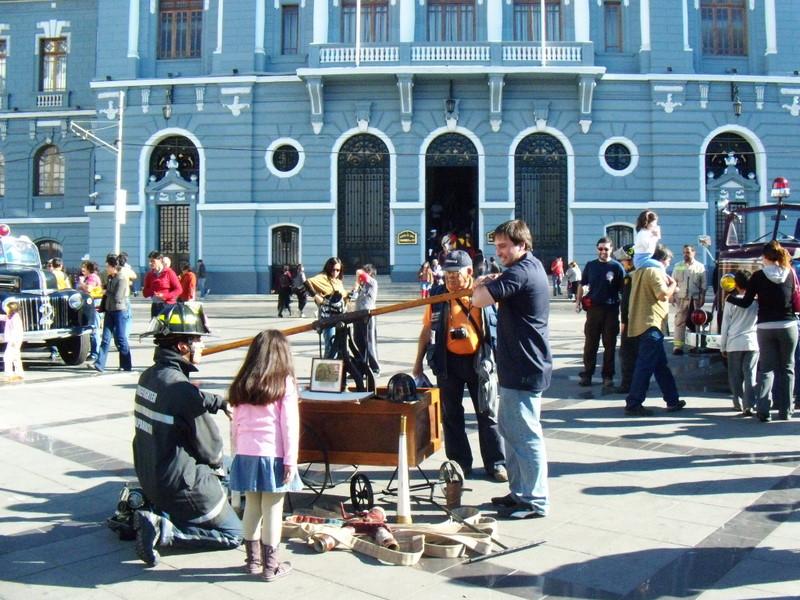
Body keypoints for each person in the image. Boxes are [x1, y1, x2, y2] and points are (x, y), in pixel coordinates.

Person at [132, 303, 243, 566]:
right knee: (235, 532)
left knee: (225, 472)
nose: (202, 347)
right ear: (183, 347)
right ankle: (166, 532)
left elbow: (182, 398)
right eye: (198, 341)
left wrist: (218, 402)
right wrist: (217, 474)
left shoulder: (149, 377)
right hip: (181, 486)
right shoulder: (182, 391)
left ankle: (158, 516)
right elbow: (211, 450)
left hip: (151, 477)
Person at [472, 219, 551, 519]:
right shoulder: (527, 268)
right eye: (497, 247)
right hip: (518, 366)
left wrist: (482, 283)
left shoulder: (521, 272)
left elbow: (479, 300)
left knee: (526, 435)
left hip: (524, 366)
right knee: (511, 430)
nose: (499, 252)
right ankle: (520, 493)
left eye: (504, 246)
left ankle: (536, 500)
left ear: (522, 244)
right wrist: (495, 279)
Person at [413, 249, 506, 482]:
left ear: (469, 272)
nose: (451, 279)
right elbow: (426, 331)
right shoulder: (437, 295)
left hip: (479, 362)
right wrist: (417, 366)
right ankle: (460, 463)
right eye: (447, 274)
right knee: (451, 416)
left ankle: (496, 463)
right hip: (447, 362)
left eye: (456, 273)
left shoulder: (481, 292)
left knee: (487, 413)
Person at [228, 330, 302, 581]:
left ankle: (252, 561)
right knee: (273, 509)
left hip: (246, 454)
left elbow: (235, 423)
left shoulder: (242, 383)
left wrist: (235, 451)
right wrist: (291, 459)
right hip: (273, 455)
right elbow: (289, 425)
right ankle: (271, 566)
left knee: (252, 507)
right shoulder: (284, 383)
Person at [726, 240, 798, 421]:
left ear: (765, 257)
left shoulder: (758, 276)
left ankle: (764, 410)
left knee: (766, 369)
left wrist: (730, 298)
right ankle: (786, 411)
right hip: (788, 325)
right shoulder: (790, 272)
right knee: (788, 368)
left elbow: (746, 302)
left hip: (765, 327)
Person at [624, 245, 684, 416]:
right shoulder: (655, 271)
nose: (668, 265)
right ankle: (634, 403)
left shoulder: (640, 271)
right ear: (662, 260)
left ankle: (672, 399)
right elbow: (662, 294)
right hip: (652, 324)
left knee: (660, 365)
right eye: (668, 261)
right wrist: (673, 285)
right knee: (645, 366)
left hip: (642, 323)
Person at [575, 237, 625, 388]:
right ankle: (587, 374)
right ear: (597, 249)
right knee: (590, 344)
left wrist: (625, 312)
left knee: (609, 345)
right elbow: (582, 285)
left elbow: (624, 290)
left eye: (606, 249)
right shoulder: (591, 266)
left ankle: (608, 376)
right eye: (600, 249)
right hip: (593, 310)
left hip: (611, 309)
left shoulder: (617, 267)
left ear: (611, 249)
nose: (603, 251)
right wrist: (578, 302)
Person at [719, 270, 758, 416]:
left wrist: (723, 346)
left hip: (734, 342)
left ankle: (738, 401)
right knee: (750, 373)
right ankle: (750, 404)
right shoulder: (756, 301)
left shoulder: (731, 301)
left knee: (735, 374)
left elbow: (725, 325)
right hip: (752, 342)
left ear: (736, 284)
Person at [92, 254, 132, 373]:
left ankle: (126, 364)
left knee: (120, 338)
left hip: (120, 311)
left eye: (108, 266)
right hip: (109, 311)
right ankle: (100, 364)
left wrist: (106, 292)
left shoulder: (121, 279)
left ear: (114, 266)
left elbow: (118, 297)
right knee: (105, 338)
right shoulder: (110, 277)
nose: (107, 268)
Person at [306, 257, 348, 358]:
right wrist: (316, 296)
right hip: (328, 318)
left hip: (340, 317)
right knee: (330, 344)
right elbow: (307, 283)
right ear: (328, 268)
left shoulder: (338, 281)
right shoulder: (323, 277)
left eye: (338, 270)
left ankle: (337, 371)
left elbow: (344, 296)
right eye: (333, 269)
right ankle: (327, 371)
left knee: (340, 347)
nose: (335, 272)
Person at [671, 244, 707, 355]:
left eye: (688, 252)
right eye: (684, 252)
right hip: (681, 299)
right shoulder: (679, 266)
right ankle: (678, 347)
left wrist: (702, 297)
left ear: (693, 253)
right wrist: (672, 296)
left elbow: (704, 285)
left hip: (694, 299)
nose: (685, 254)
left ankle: (694, 346)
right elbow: (673, 281)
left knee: (695, 323)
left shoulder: (700, 267)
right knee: (679, 322)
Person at [612, 245, 637, 394]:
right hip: (640, 321)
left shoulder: (631, 276)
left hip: (631, 322)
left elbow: (626, 302)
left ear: (630, 260)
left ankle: (627, 384)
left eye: (623, 260)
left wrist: (624, 322)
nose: (622, 263)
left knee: (627, 354)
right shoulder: (641, 273)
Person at [352, 264, 380, 376]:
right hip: (357, 314)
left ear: (369, 273)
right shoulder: (361, 285)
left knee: (369, 342)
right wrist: (355, 288)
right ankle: (362, 368)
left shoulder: (372, 282)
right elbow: (353, 297)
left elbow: (358, 272)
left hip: (367, 315)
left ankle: (375, 368)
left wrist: (357, 281)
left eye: (365, 272)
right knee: (358, 341)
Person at [142, 251, 182, 318]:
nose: (150, 263)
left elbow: (179, 290)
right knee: (156, 328)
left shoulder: (169, 273)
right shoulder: (149, 275)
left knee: (166, 327)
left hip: (168, 306)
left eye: (153, 261)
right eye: (149, 261)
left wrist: (164, 295)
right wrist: (153, 291)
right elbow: (145, 293)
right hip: (155, 306)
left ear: (160, 260)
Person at [78, 260, 103, 363]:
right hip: (90, 305)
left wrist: (81, 283)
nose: (83, 269)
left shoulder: (92, 277)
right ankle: (93, 352)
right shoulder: (90, 277)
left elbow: (88, 289)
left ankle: (95, 353)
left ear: (89, 268)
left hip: (94, 306)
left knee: (94, 329)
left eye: (85, 267)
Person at [1, 298, 24, 382]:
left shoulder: (15, 317)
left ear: (11, 307)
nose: (5, 309)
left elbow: (16, 330)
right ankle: (19, 374)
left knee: (7, 357)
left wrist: (13, 341)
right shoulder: (11, 316)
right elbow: (3, 317)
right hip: (14, 340)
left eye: (6, 307)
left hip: (14, 340)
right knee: (16, 357)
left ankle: (8, 375)